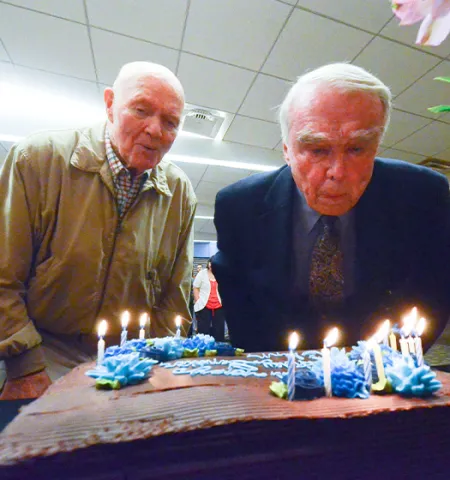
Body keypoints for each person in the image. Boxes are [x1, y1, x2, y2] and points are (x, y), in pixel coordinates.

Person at [212, 63, 450, 353]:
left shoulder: (421, 196)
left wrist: (381, 369)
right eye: (317, 150)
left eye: (357, 149)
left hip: (382, 370)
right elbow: (244, 316)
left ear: (376, 146)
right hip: (277, 371)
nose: (337, 172)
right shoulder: (239, 208)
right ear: (287, 151)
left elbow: (433, 295)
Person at [0, 61, 196, 400]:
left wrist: (161, 364)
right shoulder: (37, 160)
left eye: (170, 122)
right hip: (41, 349)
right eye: (141, 110)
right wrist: (25, 366)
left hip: (129, 360)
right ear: (109, 103)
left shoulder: (179, 193)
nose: (155, 130)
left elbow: (173, 298)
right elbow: (4, 276)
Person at [193, 258, 226, 341]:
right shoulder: (202, 273)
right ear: (208, 264)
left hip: (219, 305)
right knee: (203, 330)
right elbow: (195, 287)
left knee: (219, 330)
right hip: (204, 305)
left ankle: (219, 349)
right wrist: (198, 300)